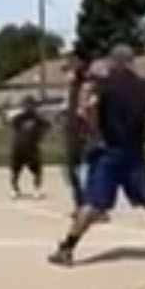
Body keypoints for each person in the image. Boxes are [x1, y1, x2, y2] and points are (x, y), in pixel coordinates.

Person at [49, 44, 145, 266]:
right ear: (130, 62)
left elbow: (87, 109)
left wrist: (95, 132)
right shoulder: (144, 86)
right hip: (134, 151)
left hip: (109, 150)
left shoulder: (104, 86)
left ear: (115, 62)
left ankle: (67, 249)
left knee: (92, 202)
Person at [62, 53, 92, 209]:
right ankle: (80, 202)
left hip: (82, 129)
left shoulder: (86, 87)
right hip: (72, 129)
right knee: (72, 169)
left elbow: (87, 111)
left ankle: (90, 204)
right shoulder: (70, 89)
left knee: (85, 168)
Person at [8, 95, 49, 199]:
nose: (27, 107)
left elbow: (47, 125)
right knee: (16, 170)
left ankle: (36, 189)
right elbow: (13, 125)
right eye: (26, 105)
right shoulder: (18, 118)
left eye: (30, 105)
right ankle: (15, 190)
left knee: (37, 170)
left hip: (31, 148)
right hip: (19, 148)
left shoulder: (37, 118)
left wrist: (41, 135)